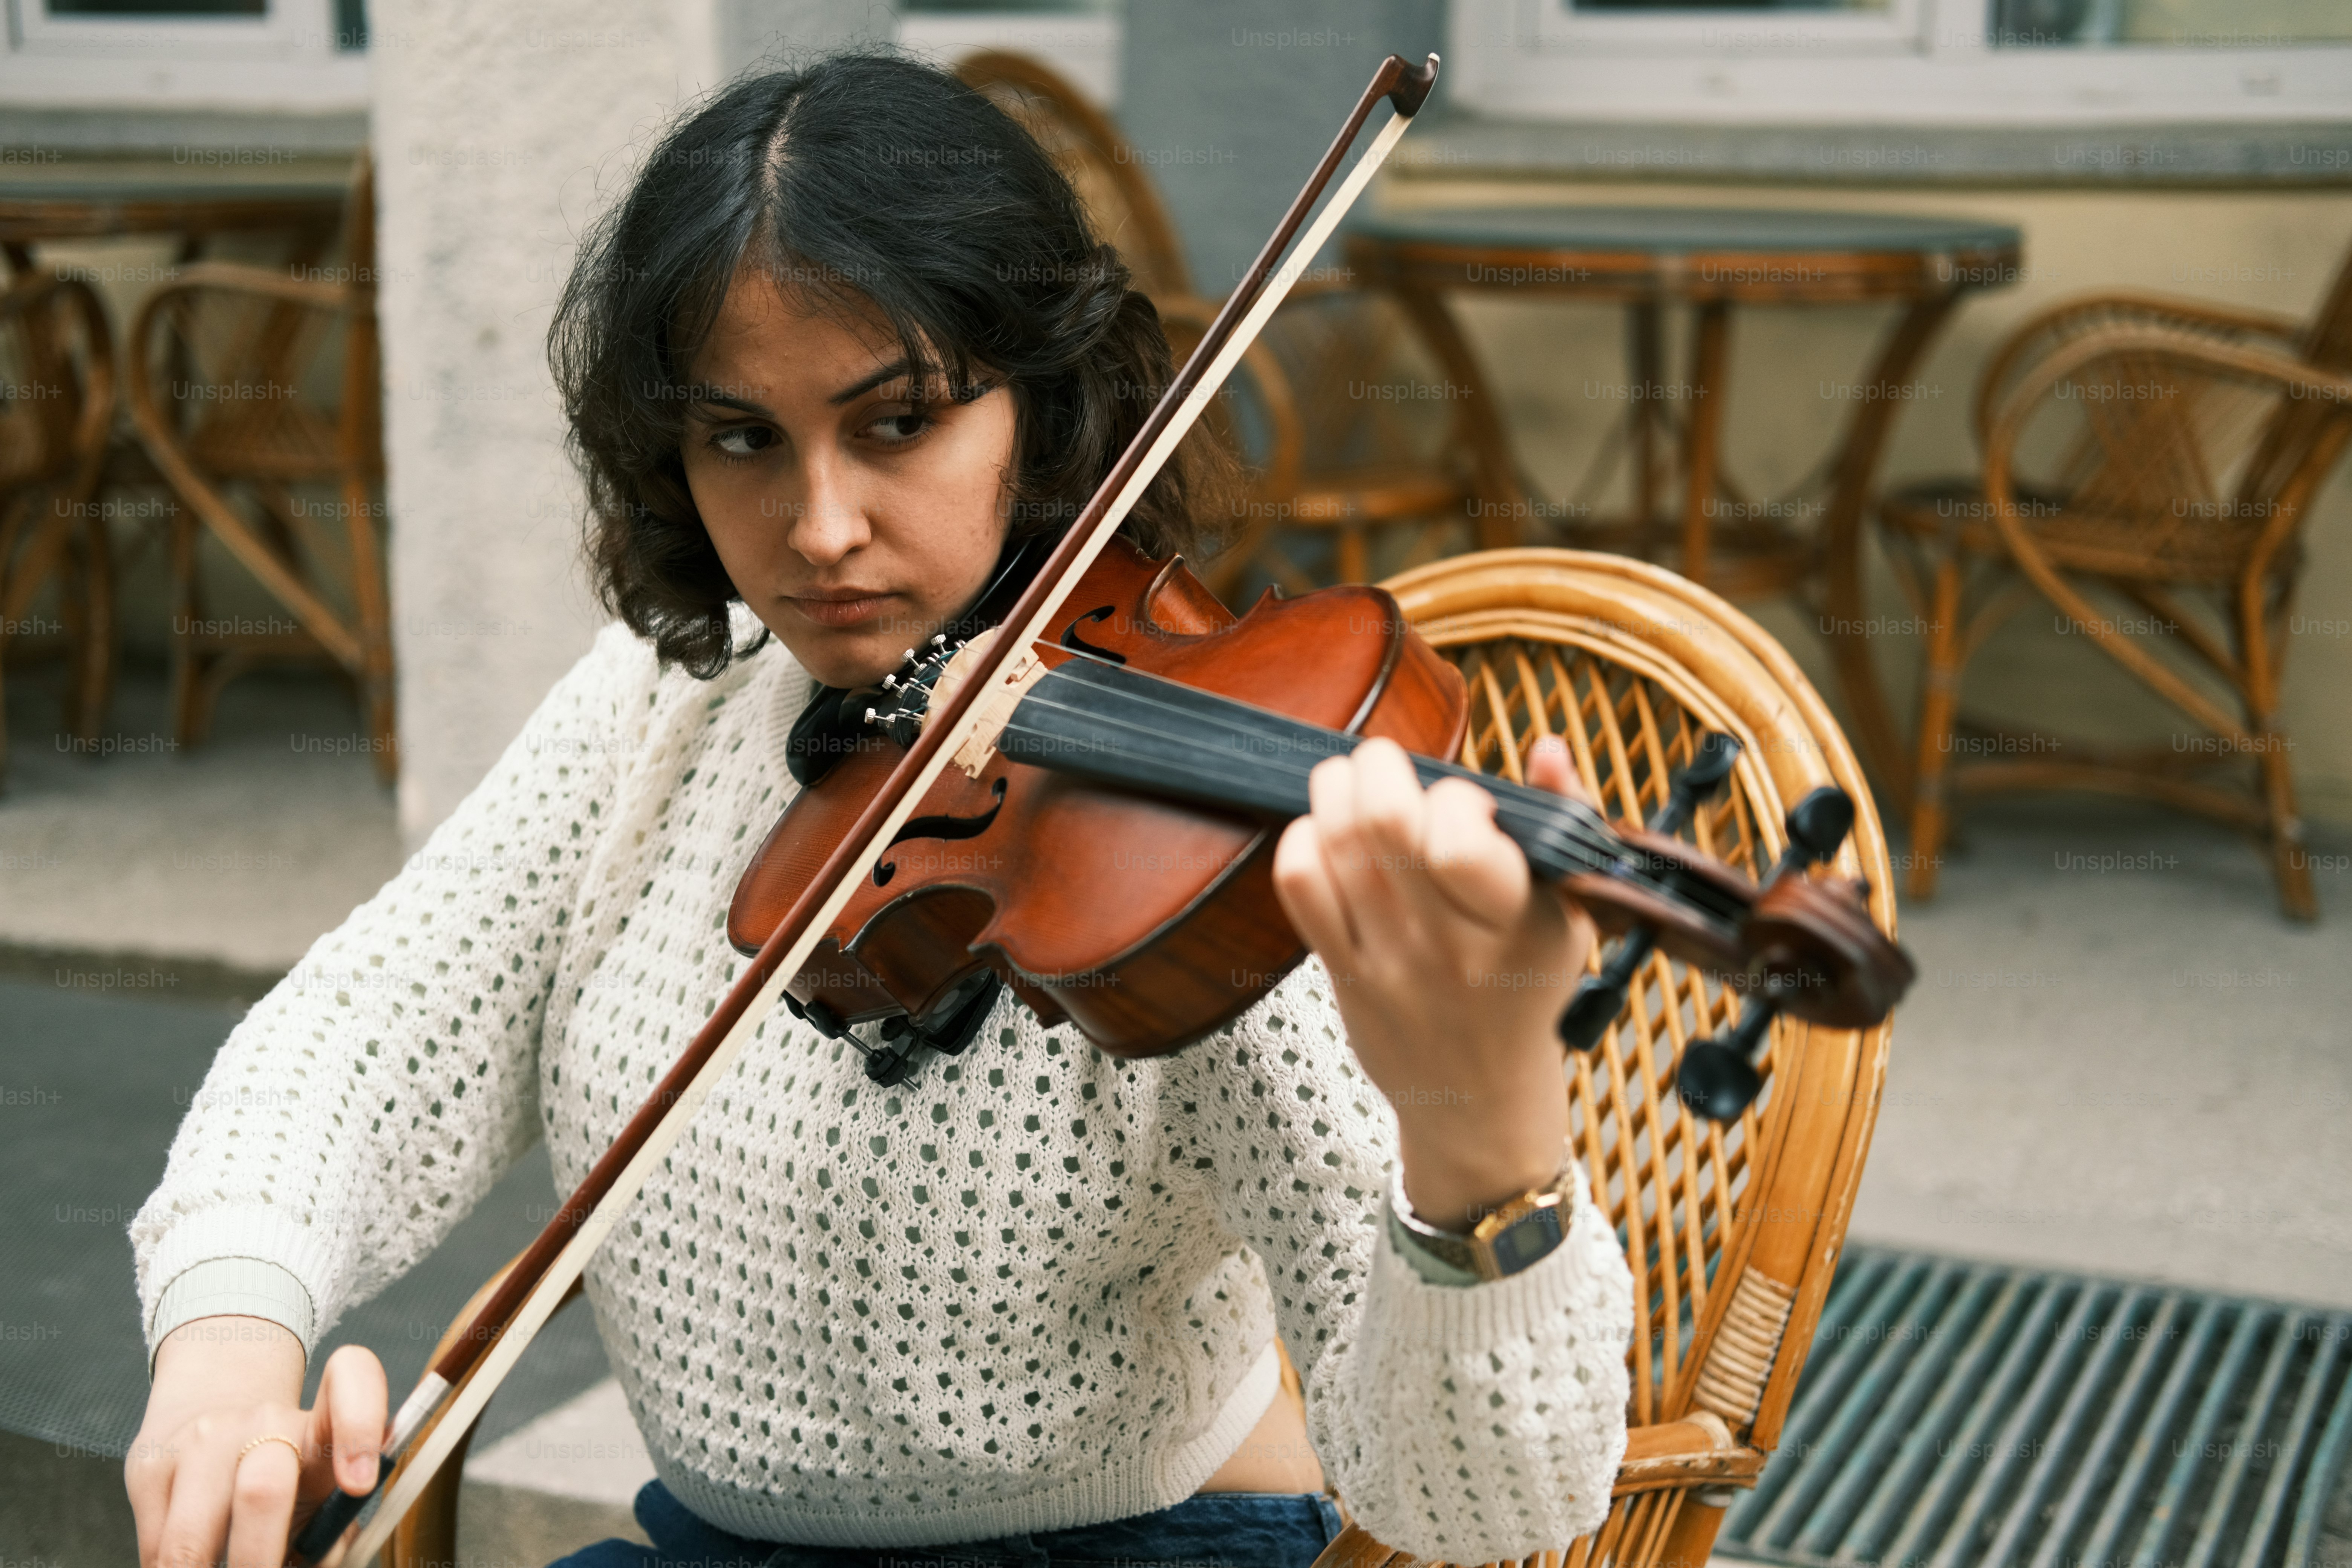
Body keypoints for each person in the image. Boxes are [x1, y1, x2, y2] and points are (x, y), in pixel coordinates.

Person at [124, 51, 1633, 1568]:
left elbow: (1485, 1504)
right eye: (743, 438)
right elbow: (375, 1019)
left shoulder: (1201, 827)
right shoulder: (672, 703)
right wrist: (230, 1347)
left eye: (897, 422)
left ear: (1037, 411)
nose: (821, 528)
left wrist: (1481, 1130)